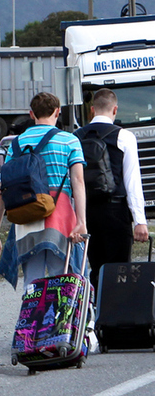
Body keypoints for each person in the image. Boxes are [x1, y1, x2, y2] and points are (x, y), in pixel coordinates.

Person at [0, 92, 87, 290]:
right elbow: (78, 181)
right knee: (62, 279)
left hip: (26, 215)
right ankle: (59, 321)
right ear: (58, 112)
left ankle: (33, 319)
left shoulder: (16, 144)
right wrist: (81, 222)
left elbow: (2, 190)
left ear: (31, 114)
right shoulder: (69, 141)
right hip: (60, 214)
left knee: (32, 283)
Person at [75, 88, 149, 286]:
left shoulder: (76, 137)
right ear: (115, 109)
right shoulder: (124, 136)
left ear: (92, 110)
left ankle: (97, 313)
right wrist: (139, 220)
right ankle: (118, 314)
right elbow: (132, 180)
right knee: (120, 270)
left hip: (87, 210)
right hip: (116, 210)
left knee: (96, 267)